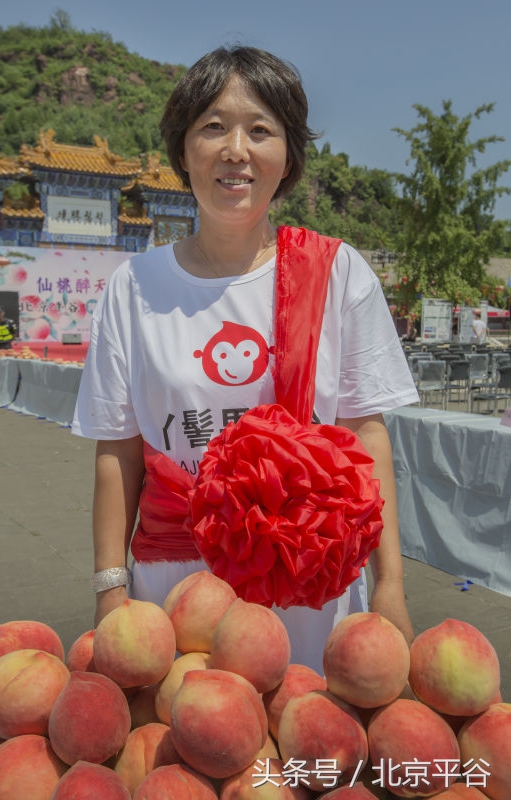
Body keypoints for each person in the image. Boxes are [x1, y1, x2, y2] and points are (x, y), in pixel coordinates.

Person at [72, 45, 419, 672]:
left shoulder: (337, 273)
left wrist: (390, 588)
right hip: (175, 589)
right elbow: (117, 451)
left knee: (309, 755)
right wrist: (110, 591)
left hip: (309, 584)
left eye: (261, 130)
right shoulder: (133, 287)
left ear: (287, 159)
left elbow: (367, 435)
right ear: (183, 151)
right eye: (213, 127)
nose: (236, 149)